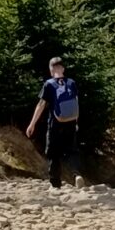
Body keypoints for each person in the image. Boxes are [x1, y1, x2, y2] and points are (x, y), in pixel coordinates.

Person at [28, 55, 82, 188]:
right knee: (72, 150)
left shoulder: (49, 84)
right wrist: (76, 121)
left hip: (55, 123)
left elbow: (41, 104)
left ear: (51, 69)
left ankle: (55, 184)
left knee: (53, 152)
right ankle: (77, 175)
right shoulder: (71, 83)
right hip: (70, 121)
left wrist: (32, 124)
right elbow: (76, 102)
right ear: (63, 68)